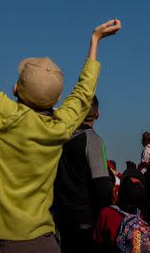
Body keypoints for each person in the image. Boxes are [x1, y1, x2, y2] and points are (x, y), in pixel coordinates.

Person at [0, 0, 121, 253]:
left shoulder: (5, 117)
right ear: (55, 100)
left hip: (8, 241)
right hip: (47, 239)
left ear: (16, 89)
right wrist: (95, 42)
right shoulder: (61, 126)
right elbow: (82, 95)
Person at [53, 96, 114, 253]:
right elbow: (102, 187)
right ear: (97, 114)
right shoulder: (93, 140)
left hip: (63, 216)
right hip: (86, 220)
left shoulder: (60, 140)